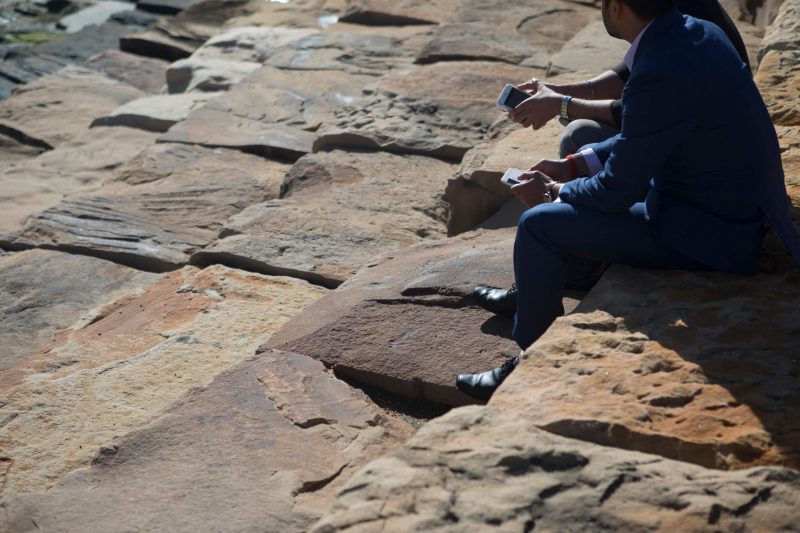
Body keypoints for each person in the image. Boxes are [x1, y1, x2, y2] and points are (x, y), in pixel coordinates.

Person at [456, 0, 800, 401]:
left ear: (616, 7)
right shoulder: (696, 32)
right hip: (724, 205)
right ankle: (560, 277)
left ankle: (531, 362)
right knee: (581, 149)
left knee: (539, 226)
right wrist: (572, 166)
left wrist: (550, 191)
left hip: (708, 233)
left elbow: (615, 189)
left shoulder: (660, 68)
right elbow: (651, 128)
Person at [511, 0, 752, 160]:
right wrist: (555, 91)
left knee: (579, 137)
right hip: (720, 149)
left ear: (616, 8)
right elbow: (632, 76)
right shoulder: (681, 20)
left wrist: (561, 105)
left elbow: (636, 112)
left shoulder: (675, 46)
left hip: (706, 183)